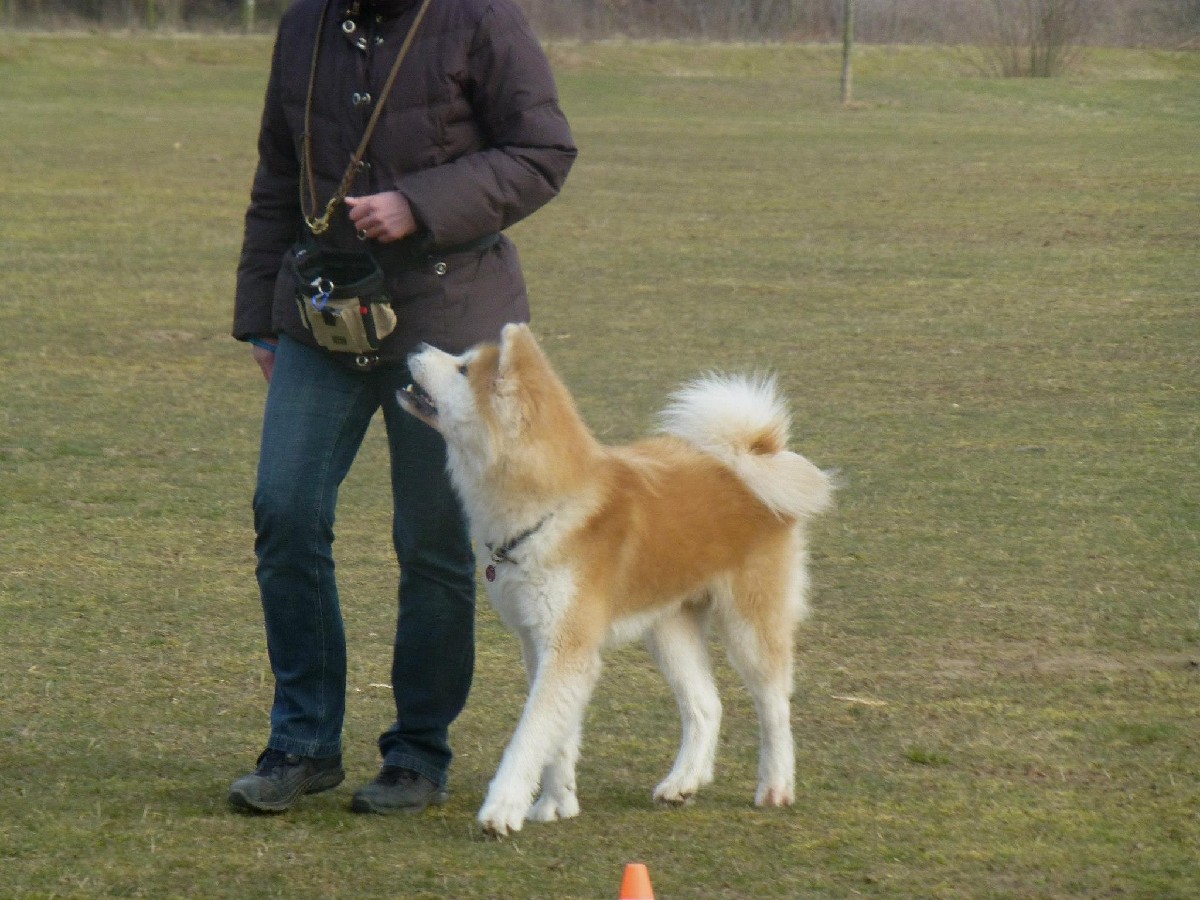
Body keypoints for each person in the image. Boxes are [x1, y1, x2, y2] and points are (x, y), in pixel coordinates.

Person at [228, 0, 576, 815]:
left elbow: (543, 150)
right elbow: (279, 174)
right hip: (318, 313)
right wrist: (259, 317)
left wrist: (421, 203)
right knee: (285, 511)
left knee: (432, 544)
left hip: (449, 324)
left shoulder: (481, 17)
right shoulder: (305, 21)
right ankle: (302, 742)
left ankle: (418, 753)